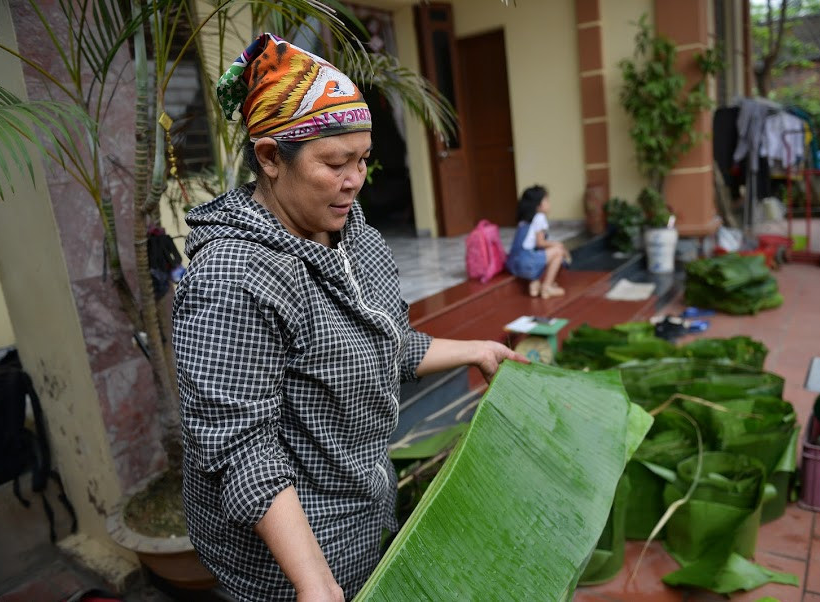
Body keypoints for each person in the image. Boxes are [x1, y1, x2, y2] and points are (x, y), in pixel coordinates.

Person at [171, 33, 526, 602]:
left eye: (362, 159)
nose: (355, 180)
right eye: (335, 163)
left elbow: (387, 346)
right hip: (290, 568)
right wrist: (314, 583)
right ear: (268, 157)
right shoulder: (232, 279)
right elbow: (241, 448)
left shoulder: (350, 233)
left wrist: (476, 350)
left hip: (363, 519)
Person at [504, 185, 571, 299]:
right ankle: (547, 287)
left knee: (541, 254)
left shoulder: (524, 220)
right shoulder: (540, 217)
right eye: (546, 200)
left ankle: (534, 284)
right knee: (557, 252)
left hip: (513, 264)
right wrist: (559, 245)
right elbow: (540, 243)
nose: (549, 204)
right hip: (526, 263)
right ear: (538, 205)